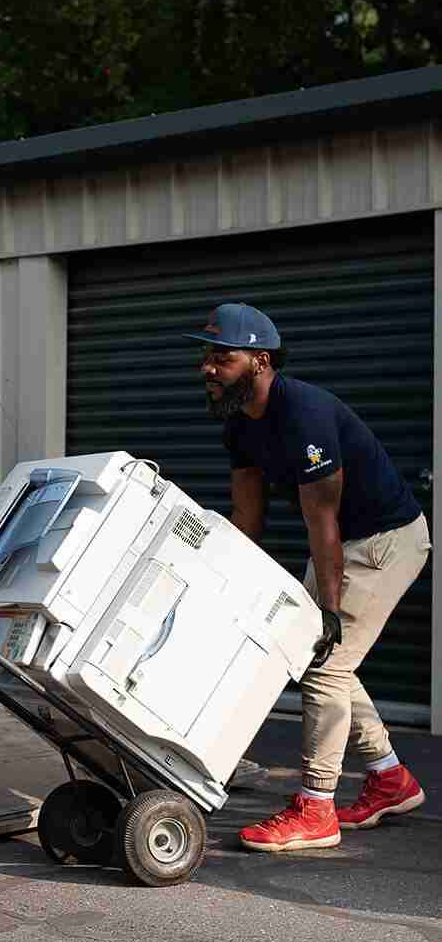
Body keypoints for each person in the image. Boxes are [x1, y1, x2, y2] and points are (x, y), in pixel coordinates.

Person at [185, 302, 430, 852]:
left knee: (324, 666)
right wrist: (223, 589)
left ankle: (317, 807)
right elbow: (247, 521)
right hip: (342, 541)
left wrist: (331, 608)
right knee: (321, 656)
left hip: (384, 541)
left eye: (221, 357)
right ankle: (391, 777)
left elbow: (322, 518)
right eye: (206, 356)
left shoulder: (305, 414)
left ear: (260, 360)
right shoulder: (240, 429)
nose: (207, 367)